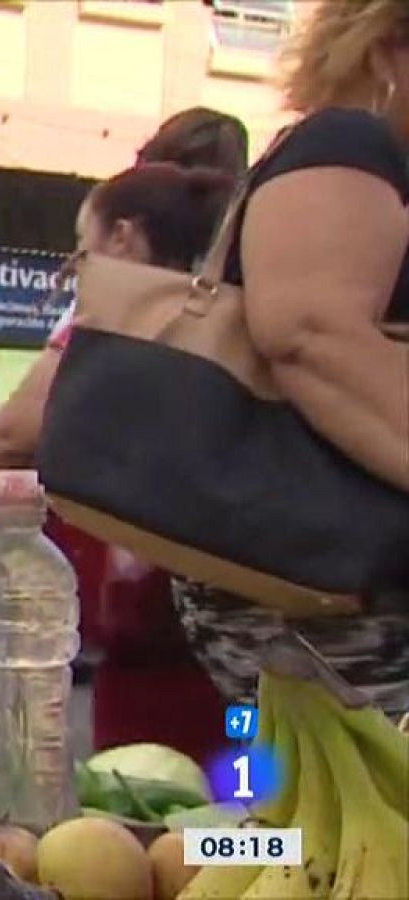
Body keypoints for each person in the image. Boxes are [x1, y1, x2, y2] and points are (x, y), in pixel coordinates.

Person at [0, 160, 241, 763]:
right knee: (240, 806)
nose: (76, 268)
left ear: (122, 238)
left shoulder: (122, 324)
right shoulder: (228, 317)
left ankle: (211, 855)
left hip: (148, 631)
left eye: (81, 247)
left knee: (147, 807)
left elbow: (17, 431)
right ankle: (260, 853)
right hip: (225, 636)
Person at [170, 0, 409, 717]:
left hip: (331, 597)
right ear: (388, 49)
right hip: (335, 609)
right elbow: (311, 334)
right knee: (343, 824)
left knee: (309, 825)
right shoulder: (349, 145)